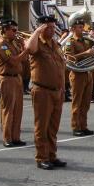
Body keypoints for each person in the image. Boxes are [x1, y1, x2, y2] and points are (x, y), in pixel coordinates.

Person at [26, 15, 67, 170]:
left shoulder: (54, 44)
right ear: (41, 27)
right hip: (42, 90)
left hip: (57, 91)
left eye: (53, 26)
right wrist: (37, 32)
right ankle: (41, 157)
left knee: (53, 127)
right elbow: (29, 49)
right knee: (41, 126)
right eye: (48, 27)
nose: (52, 29)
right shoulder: (37, 43)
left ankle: (52, 155)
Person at [0, 20, 27, 147]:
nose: (16, 32)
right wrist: (27, 50)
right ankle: (7, 138)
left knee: (18, 109)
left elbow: (23, 59)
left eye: (16, 30)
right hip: (7, 78)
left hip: (17, 78)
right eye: (13, 30)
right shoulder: (2, 45)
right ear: (5, 30)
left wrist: (24, 47)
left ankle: (16, 137)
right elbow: (13, 61)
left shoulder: (12, 43)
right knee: (8, 109)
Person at [63, 18, 94, 135]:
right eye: (80, 27)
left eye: (82, 27)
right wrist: (85, 54)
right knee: (77, 102)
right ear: (73, 29)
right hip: (77, 74)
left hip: (87, 73)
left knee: (86, 103)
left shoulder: (86, 41)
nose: (82, 29)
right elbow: (69, 58)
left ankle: (83, 125)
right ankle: (76, 127)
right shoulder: (69, 42)